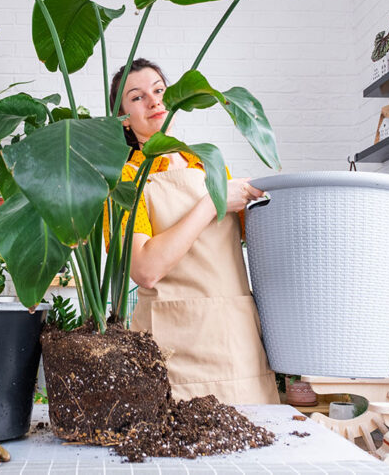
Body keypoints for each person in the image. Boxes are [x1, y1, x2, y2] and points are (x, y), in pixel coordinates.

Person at [110, 58, 279, 405]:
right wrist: (212, 203)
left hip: (236, 340)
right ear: (123, 118)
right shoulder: (124, 179)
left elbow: (241, 244)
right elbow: (145, 269)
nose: (154, 101)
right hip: (173, 348)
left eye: (159, 90)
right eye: (137, 97)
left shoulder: (208, 164)